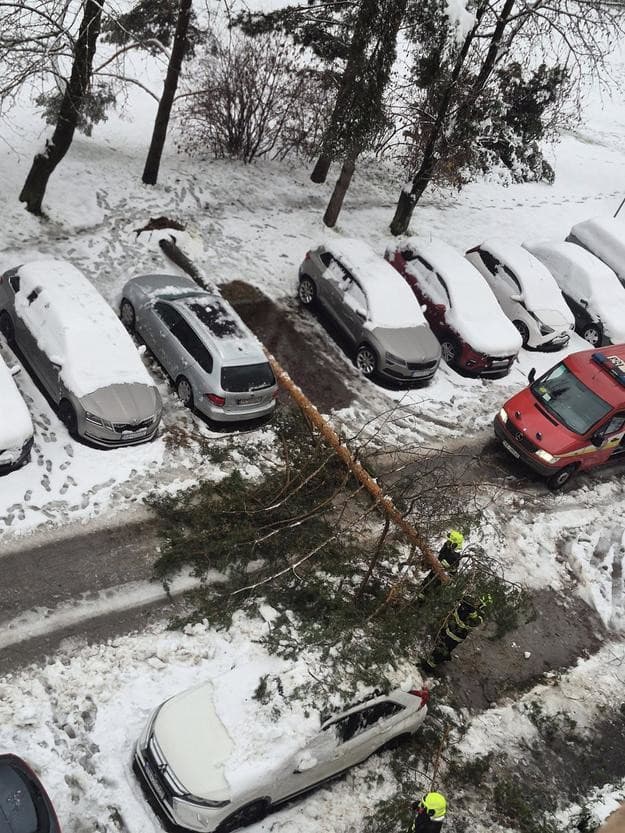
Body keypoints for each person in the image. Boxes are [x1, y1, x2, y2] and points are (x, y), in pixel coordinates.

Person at [421, 594, 492, 672]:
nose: (476, 602)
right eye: (477, 600)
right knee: (440, 645)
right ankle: (437, 659)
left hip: (456, 635)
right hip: (449, 629)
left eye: (479, 601)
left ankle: (428, 667)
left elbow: (473, 623)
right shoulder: (468, 604)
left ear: (482, 605)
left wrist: (471, 611)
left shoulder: (481, 615)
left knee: (442, 650)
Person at [418, 530, 466, 597]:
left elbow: (452, 572)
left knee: (431, 592)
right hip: (434, 571)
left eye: (449, 542)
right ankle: (419, 595)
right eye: (448, 541)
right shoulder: (446, 546)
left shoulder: (456, 557)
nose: (447, 543)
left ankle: (422, 601)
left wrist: (448, 567)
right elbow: (440, 555)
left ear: (454, 545)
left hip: (440, 578)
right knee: (425, 584)